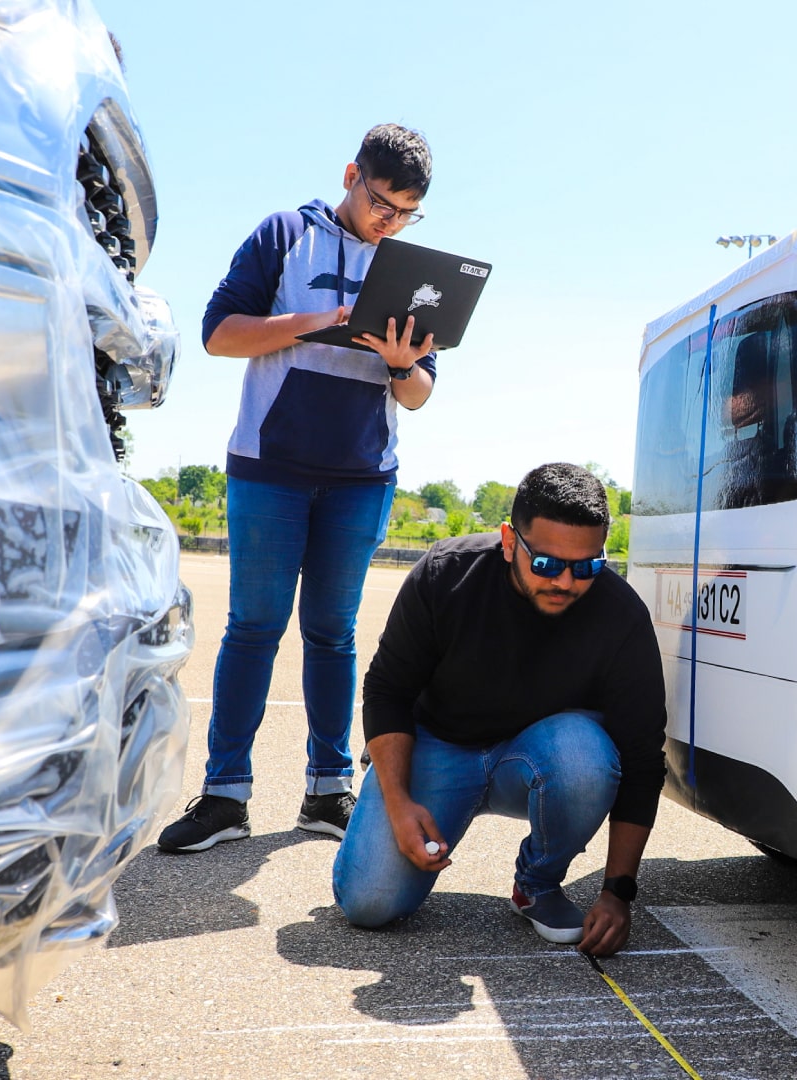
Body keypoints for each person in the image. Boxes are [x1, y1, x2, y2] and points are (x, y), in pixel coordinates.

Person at [158, 124, 439, 853]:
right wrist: (322, 323)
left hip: (361, 476)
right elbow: (220, 333)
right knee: (253, 628)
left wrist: (404, 364)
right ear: (351, 174)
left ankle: (327, 791)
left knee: (333, 634)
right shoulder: (284, 233)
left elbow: (418, 396)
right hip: (270, 466)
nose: (389, 221)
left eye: (406, 212)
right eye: (382, 202)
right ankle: (224, 796)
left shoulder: (411, 270)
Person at [331, 464, 666, 955]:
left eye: (588, 566)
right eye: (548, 564)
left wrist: (618, 891)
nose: (567, 582)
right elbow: (387, 691)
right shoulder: (447, 574)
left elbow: (642, 759)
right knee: (369, 903)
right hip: (439, 744)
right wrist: (399, 803)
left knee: (586, 755)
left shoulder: (621, 617)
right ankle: (386, 784)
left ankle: (537, 882)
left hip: (538, 757)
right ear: (510, 541)